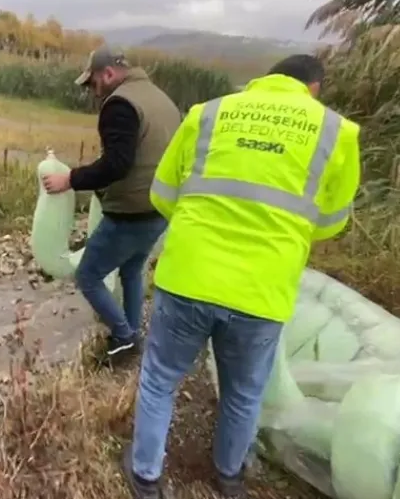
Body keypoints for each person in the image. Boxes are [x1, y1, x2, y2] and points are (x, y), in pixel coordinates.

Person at [119, 54, 361, 499]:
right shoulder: (337, 131)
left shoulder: (208, 114)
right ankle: (229, 474)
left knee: (160, 378)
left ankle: (146, 475)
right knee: (244, 392)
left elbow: (163, 194)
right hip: (262, 289)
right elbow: (330, 222)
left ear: (265, 80)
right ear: (313, 88)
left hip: (189, 274)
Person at [42, 45, 181, 359]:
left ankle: (123, 335)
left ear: (107, 73)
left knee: (88, 275)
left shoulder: (120, 104)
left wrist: (70, 179)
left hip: (131, 213)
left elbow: (117, 164)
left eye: (92, 83)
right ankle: (132, 333)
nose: (93, 91)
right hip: (159, 208)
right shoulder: (161, 99)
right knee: (131, 271)